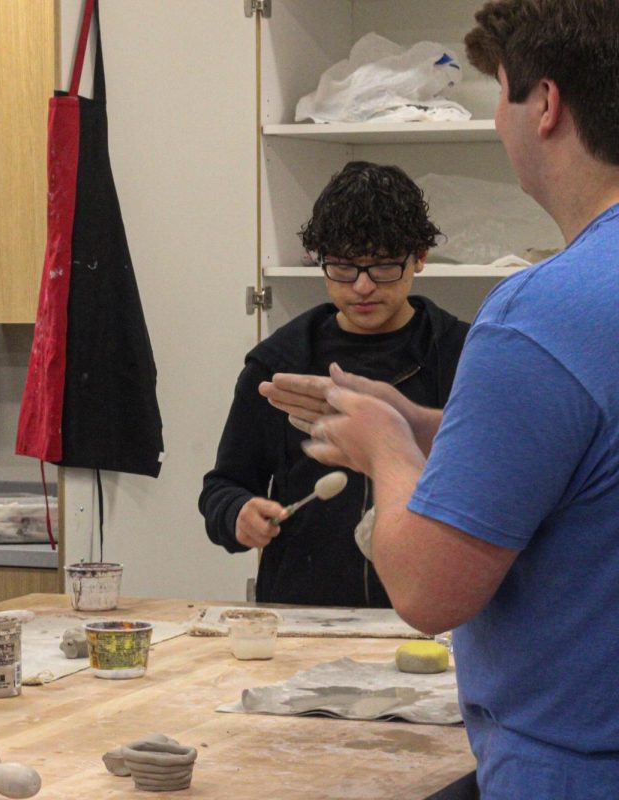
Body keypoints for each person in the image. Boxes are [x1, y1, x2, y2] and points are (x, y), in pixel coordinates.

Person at [263, 2, 619, 796]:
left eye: (500, 94)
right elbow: (586, 456)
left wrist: (384, 449)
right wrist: (432, 425)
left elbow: (428, 590)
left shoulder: (541, 314)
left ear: (548, 105)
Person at [198, 162, 469, 607]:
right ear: (319, 260)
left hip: (430, 614)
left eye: (382, 266)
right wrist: (238, 514)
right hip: (303, 616)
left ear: (419, 257)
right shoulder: (278, 366)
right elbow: (223, 485)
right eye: (343, 267)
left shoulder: (462, 355)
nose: (362, 286)